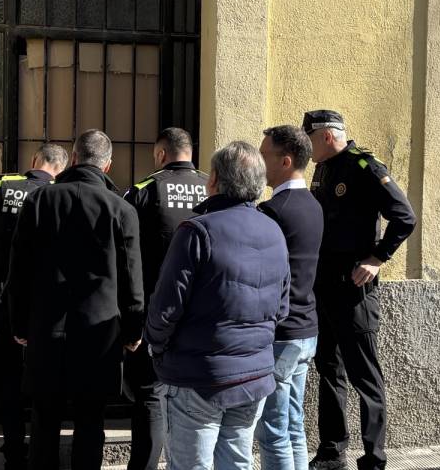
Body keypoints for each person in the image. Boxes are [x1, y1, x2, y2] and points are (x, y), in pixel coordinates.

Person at [144, 141, 290, 470]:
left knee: (191, 465)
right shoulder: (274, 231)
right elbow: (282, 309)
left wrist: (157, 346)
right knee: (236, 462)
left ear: (214, 181)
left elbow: (165, 309)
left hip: (198, 375)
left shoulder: (197, 232)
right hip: (253, 374)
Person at [8, 130, 144, 470]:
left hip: (46, 329)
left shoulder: (39, 201)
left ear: (74, 156)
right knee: (90, 421)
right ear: (107, 165)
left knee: (44, 421)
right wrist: (132, 329)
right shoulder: (122, 209)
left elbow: (19, 271)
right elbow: (131, 278)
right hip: (98, 336)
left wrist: (19, 323)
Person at [303, 110, 415, 470]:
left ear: (327, 136)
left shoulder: (364, 167)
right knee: (329, 370)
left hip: (354, 288)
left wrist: (377, 258)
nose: (307, 146)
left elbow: (404, 216)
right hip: (324, 285)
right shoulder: (323, 169)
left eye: (310, 138)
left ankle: (374, 457)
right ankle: (332, 450)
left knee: (364, 375)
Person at [0, 143, 68, 470]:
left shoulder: (4, 185)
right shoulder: (60, 196)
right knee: (47, 378)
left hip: (2, 299)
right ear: (61, 168)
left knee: (9, 377)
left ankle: (13, 452)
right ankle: (46, 454)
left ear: (34, 161)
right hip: (46, 304)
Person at [123, 127, 209, 470]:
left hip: (153, 313)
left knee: (150, 397)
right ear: (189, 152)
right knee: (196, 400)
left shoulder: (143, 190)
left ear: (161, 154)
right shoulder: (211, 187)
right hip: (203, 314)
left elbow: (125, 253)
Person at [255, 126, 323, 470]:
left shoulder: (274, 211)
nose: (258, 161)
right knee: (292, 425)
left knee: (272, 431)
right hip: (306, 328)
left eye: (264, 154)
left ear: (285, 161)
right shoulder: (313, 205)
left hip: (283, 333)